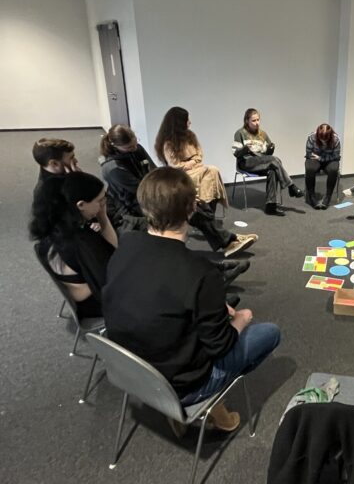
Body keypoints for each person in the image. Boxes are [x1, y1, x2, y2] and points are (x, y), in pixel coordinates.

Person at [102, 167, 281, 432]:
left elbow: (154, 296)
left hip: (130, 371)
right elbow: (221, 345)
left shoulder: (126, 245)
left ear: (145, 206)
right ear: (191, 209)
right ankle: (210, 401)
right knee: (270, 333)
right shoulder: (200, 272)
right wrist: (243, 320)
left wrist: (210, 306)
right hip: (181, 385)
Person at [100, 124, 254, 282]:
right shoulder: (112, 169)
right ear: (115, 145)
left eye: (134, 142)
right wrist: (175, 199)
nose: (134, 148)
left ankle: (225, 245)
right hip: (136, 210)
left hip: (151, 199)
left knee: (192, 206)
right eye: (129, 147)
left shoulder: (137, 149)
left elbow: (156, 172)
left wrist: (184, 196)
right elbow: (143, 190)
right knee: (174, 235)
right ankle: (215, 272)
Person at [30, 172, 117, 319]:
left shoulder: (55, 228)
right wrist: (103, 218)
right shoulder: (81, 241)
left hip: (80, 296)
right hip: (96, 304)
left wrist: (100, 214)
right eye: (100, 200)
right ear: (81, 205)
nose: (104, 203)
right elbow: (113, 264)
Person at [155, 106, 229, 211]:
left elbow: (199, 154)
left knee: (213, 170)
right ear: (180, 123)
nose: (190, 122)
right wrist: (189, 164)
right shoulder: (169, 143)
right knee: (211, 173)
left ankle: (205, 207)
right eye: (187, 120)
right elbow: (174, 165)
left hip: (196, 168)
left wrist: (193, 162)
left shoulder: (190, 135)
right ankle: (206, 207)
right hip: (180, 173)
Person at [232, 108, 304, 216]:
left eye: (258, 120)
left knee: (273, 170)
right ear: (247, 121)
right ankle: (291, 186)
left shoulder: (262, 134)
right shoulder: (240, 133)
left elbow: (267, 154)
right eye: (254, 120)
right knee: (275, 160)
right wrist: (244, 150)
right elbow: (235, 153)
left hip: (261, 162)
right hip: (247, 162)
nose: (257, 123)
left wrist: (270, 149)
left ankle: (271, 206)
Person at [304, 123, 341, 210]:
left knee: (333, 169)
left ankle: (328, 196)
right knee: (310, 168)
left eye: (326, 140)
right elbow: (309, 153)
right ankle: (312, 196)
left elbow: (336, 156)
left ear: (330, 136)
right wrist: (317, 158)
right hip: (315, 159)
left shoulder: (336, 139)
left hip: (328, 160)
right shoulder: (311, 137)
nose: (323, 142)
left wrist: (320, 158)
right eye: (321, 139)